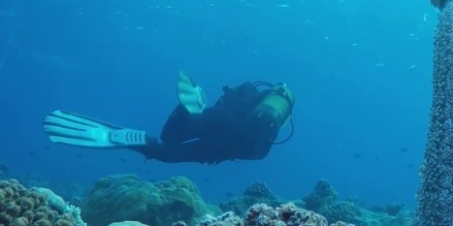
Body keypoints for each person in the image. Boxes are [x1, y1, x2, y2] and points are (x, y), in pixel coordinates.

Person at [42, 71, 295, 164]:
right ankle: (139, 142)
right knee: (165, 154)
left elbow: (227, 102)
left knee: (170, 137)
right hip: (241, 149)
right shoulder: (278, 116)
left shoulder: (253, 94)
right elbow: (269, 142)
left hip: (220, 123)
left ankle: (188, 111)